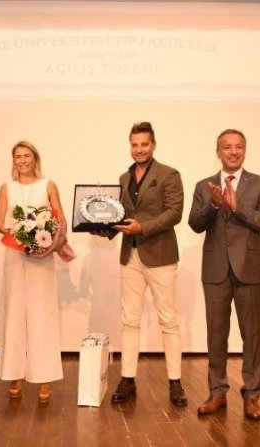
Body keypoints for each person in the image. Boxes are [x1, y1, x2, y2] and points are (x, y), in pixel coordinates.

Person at [95, 121, 186, 406]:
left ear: (153, 145)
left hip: (160, 256)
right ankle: (127, 379)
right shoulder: (123, 178)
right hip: (130, 256)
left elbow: (175, 213)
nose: (139, 149)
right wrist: (106, 229)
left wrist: (142, 228)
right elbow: (120, 214)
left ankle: (175, 382)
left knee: (168, 320)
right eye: (135, 145)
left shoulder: (169, 174)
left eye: (144, 144)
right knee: (129, 320)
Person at [188, 129, 260, 421]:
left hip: (251, 270)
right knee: (216, 334)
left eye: (238, 147)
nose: (233, 152)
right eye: (227, 147)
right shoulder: (204, 186)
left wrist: (238, 207)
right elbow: (194, 223)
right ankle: (217, 392)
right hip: (215, 270)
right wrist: (213, 204)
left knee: (252, 335)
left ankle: (252, 396)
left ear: (245, 150)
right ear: (218, 152)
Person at [0, 141, 68, 403]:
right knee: (14, 313)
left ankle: (44, 376)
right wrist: (22, 235)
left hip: (42, 259)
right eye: (18, 157)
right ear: (13, 161)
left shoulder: (48, 185)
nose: (23, 160)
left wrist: (47, 240)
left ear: (35, 158)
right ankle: (15, 373)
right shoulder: (7, 187)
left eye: (27, 156)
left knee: (42, 315)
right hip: (15, 257)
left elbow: (60, 221)